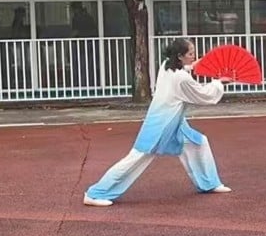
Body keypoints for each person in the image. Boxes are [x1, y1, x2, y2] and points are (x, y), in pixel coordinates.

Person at [83, 38, 233, 206]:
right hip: (163, 124)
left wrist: (195, 65)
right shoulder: (181, 78)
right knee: (136, 159)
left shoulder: (166, 65)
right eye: (191, 54)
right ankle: (95, 193)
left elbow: (184, 69)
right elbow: (204, 95)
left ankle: (209, 183)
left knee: (198, 142)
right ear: (180, 56)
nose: (194, 56)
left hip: (174, 122)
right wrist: (218, 83)